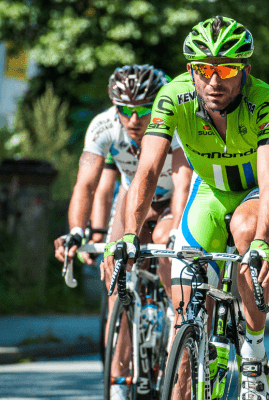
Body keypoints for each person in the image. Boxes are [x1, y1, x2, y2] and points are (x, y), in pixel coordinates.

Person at [103, 16, 269, 400]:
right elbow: (148, 171)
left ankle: (253, 357)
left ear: (245, 70)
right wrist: (126, 234)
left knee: (244, 232)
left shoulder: (266, 100)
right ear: (191, 70)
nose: (214, 80)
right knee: (184, 315)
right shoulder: (173, 96)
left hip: (256, 190)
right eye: (203, 69)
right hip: (210, 191)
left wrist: (262, 241)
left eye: (226, 69)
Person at [53, 64, 192, 400]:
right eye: (125, 110)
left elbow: (184, 182)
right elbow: (86, 185)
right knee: (115, 277)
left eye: (143, 109)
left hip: (174, 200)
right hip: (135, 199)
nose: (134, 119)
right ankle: (118, 381)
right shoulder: (103, 126)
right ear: (114, 108)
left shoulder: (172, 123)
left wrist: (178, 234)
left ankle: (176, 336)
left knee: (165, 254)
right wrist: (76, 231)